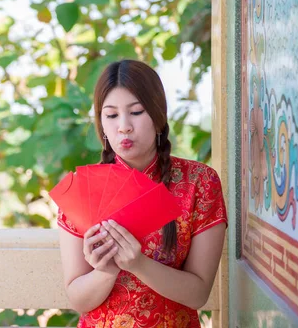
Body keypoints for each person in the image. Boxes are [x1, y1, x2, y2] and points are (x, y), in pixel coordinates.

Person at [57, 60, 228, 328]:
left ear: (159, 116)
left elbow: (198, 294)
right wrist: (105, 271)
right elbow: (78, 299)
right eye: (111, 115)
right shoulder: (82, 189)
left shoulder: (199, 182)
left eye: (136, 112)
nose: (123, 126)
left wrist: (138, 264)